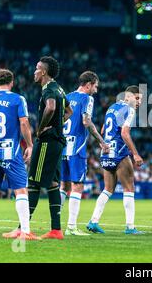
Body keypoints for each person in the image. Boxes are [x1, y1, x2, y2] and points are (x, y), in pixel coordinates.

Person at [3, 56, 73, 240]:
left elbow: (50, 108)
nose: (34, 71)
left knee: (33, 182)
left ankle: (22, 229)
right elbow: (69, 111)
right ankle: (56, 230)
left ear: (43, 72)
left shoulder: (49, 89)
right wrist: (59, 124)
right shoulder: (59, 88)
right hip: (58, 142)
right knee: (52, 184)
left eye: (37, 68)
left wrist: (41, 129)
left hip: (48, 141)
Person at [0, 69, 39, 240]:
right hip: (11, 151)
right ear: (11, 83)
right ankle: (25, 231)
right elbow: (24, 123)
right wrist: (30, 144)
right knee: (20, 190)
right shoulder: (18, 99)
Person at [87, 85, 144, 234]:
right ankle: (130, 227)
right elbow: (125, 133)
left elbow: (103, 130)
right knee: (129, 188)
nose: (139, 102)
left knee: (108, 189)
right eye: (137, 98)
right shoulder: (129, 110)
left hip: (106, 152)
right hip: (119, 152)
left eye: (141, 100)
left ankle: (93, 221)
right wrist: (135, 154)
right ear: (128, 96)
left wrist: (103, 144)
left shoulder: (112, 108)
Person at [59, 71, 109, 236]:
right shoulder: (87, 99)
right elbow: (86, 121)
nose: (96, 90)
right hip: (77, 148)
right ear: (88, 84)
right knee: (77, 185)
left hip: (62, 147)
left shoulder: (65, 96)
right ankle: (71, 226)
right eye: (95, 86)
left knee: (63, 186)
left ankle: (55, 224)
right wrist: (102, 141)